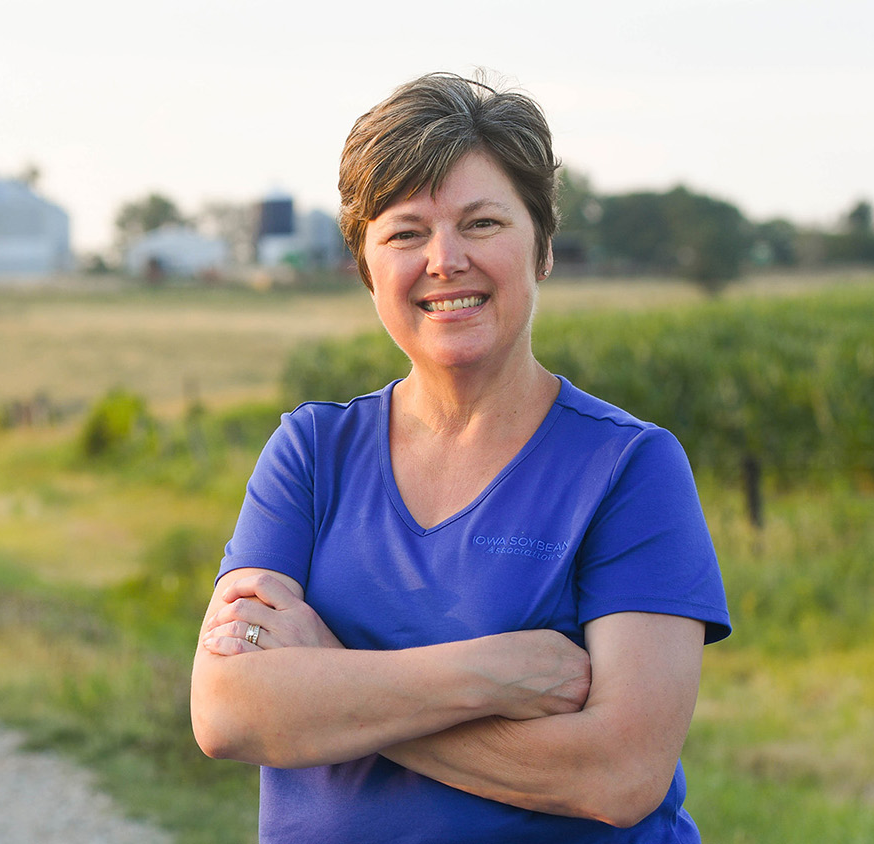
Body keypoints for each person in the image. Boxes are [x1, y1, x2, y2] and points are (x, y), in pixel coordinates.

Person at [190, 71, 731, 843]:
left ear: (542, 248)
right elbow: (226, 711)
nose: (445, 260)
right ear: (366, 268)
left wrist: (327, 681)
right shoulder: (309, 454)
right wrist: (493, 676)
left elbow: (617, 775)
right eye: (406, 232)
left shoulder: (628, 468)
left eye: (481, 223)